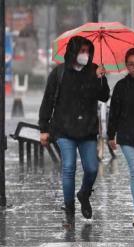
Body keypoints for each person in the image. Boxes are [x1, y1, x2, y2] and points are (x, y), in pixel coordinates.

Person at [38, 36, 110, 226]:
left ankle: (84, 194)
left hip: (87, 130)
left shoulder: (94, 71)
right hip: (63, 129)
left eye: (87, 51)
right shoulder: (59, 73)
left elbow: (103, 96)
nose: (85, 55)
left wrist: (102, 78)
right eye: (81, 51)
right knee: (69, 167)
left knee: (92, 169)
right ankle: (69, 210)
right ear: (73, 51)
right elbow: (47, 101)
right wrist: (43, 128)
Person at [107, 48, 134, 227]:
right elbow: (114, 113)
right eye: (131, 64)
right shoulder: (121, 87)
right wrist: (111, 135)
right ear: (126, 66)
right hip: (127, 137)